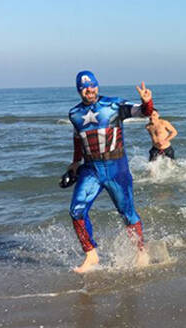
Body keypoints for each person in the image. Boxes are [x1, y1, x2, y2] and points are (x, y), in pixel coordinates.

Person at [67, 71, 153, 273]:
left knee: (127, 213)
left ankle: (141, 252)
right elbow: (78, 138)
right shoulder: (74, 114)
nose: (90, 90)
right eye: (85, 87)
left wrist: (147, 102)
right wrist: (74, 162)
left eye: (93, 85)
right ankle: (91, 254)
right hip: (91, 169)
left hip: (117, 168)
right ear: (79, 89)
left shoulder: (114, 105)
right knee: (76, 210)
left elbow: (143, 112)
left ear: (97, 86)